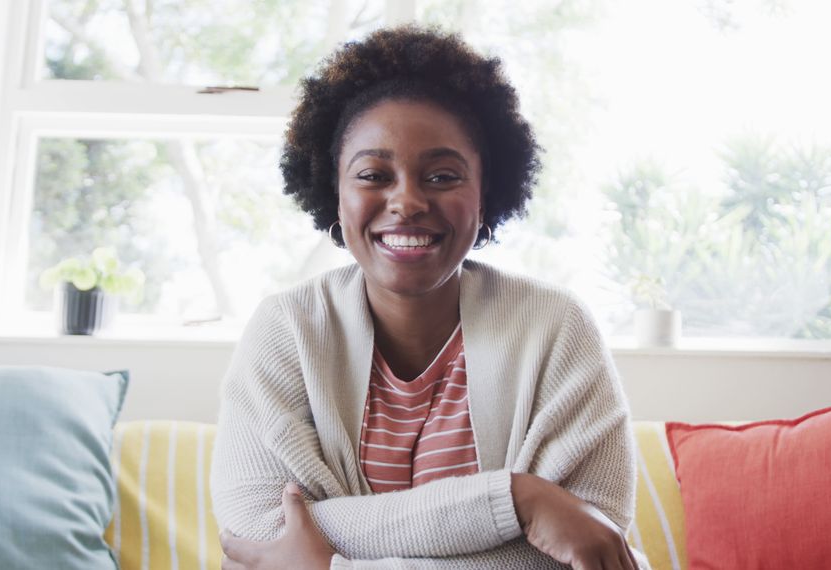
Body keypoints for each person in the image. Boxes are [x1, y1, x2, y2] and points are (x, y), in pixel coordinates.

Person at [211, 25, 650, 570]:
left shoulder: (555, 328)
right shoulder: (287, 329)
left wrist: (328, 562)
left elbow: (585, 546)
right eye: (373, 174)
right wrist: (518, 500)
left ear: (486, 194)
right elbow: (258, 529)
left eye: (442, 176)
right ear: (335, 192)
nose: (408, 202)